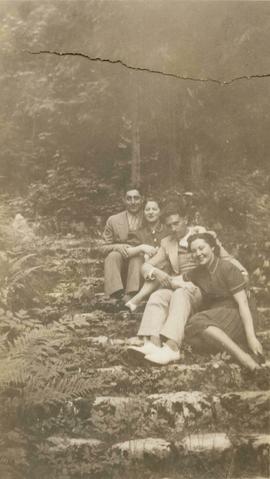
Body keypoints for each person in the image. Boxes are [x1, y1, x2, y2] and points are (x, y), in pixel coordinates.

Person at [128, 203, 248, 365]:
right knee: (158, 295)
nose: (173, 229)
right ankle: (153, 343)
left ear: (185, 220)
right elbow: (146, 266)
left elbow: (226, 258)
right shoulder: (167, 242)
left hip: (203, 288)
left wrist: (243, 272)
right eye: (169, 226)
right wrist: (157, 272)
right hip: (181, 283)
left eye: (176, 223)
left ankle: (172, 347)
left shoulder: (202, 236)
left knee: (181, 293)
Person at [181, 233, 263, 370]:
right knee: (191, 339)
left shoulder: (227, 267)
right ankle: (236, 346)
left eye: (202, 248)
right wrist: (154, 272)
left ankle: (243, 357)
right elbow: (176, 279)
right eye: (194, 251)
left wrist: (252, 337)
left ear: (212, 247)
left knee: (196, 321)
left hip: (236, 313)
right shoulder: (197, 272)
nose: (198, 253)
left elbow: (243, 304)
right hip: (218, 315)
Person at [100, 186, 144, 302]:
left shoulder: (148, 217)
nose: (133, 202)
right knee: (112, 256)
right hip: (121, 262)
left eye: (136, 198)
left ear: (142, 199)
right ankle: (115, 294)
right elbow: (102, 247)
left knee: (137, 258)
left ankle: (132, 294)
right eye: (129, 198)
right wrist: (117, 246)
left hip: (141, 262)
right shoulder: (113, 220)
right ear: (124, 200)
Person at [124, 198, 169, 312]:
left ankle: (139, 298)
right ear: (143, 213)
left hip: (164, 271)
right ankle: (133, 293)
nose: (151, 212)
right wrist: (142, 248)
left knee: (164, 261)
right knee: (136, 258)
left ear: (160, 212)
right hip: (143, 273)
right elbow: (128, 251)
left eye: (154, 209)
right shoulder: (138, 233)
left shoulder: (168, 230)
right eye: (147, 209)